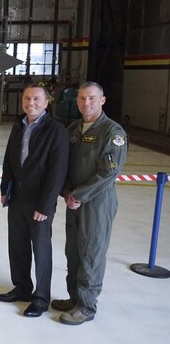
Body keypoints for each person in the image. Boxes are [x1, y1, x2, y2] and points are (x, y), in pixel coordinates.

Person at [52, 82, 127, 325]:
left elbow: (108, 173)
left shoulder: (112, 133)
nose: (87, 103)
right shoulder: (74, 129)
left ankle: (87, 305)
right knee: (73, 250)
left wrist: (79, 195)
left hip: (97, 201)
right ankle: (74, 297)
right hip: (73, 200)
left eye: (92, 98)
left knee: (91, 252)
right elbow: (63, 164)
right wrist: (65, 192)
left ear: (102, 100)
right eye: (82, 98)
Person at [0, 84, 68, 316]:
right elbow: (9, 159)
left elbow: (57, 172)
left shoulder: (55, 130)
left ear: (46, 102)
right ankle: (22, 287)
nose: (31, 103)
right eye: (27, 99)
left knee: (41, 250)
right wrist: (4, 188)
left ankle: (40, 297)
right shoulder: (19, 125)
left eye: (37, 99)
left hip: (39, 202)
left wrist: (45, 205)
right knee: (17, 247)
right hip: (17, 197)